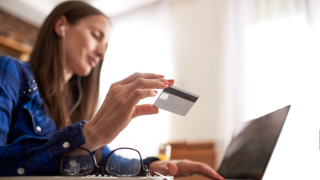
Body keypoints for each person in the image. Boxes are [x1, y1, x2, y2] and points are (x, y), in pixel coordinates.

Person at [0, 1, 224, 179]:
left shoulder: (74, 104)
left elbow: (104, 159)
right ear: (61, 26)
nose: (100, 53)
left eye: (105, 47)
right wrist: (87, 135)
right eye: (96, 35)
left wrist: (156, 165)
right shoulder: (11, 71)